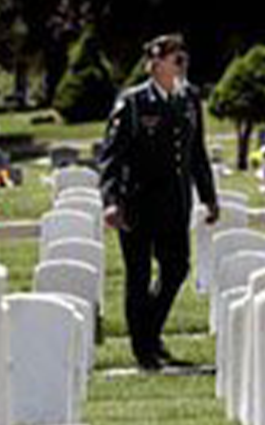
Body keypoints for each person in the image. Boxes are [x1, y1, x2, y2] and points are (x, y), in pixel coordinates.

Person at [98, 34, 219, 371]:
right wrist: (110, 201)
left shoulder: (189, 99)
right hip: (136, 204)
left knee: (177, 268)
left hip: (175, 203)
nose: (176, 61)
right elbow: (110, 157)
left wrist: (208, 197)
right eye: (168, 57)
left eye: (178, 55)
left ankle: (148, 332)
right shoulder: (133, 103)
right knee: (138, 275)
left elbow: (197, 152)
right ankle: (144, 350)